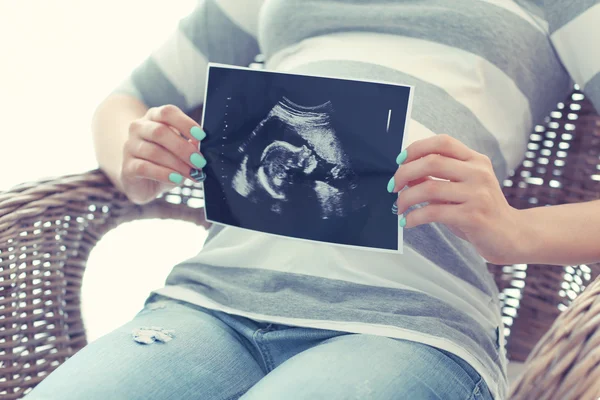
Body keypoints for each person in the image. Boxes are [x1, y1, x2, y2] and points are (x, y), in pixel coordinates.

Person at [26, 1, 600, 399]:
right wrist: (133, 160)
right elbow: (123, 102)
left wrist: (515, 232)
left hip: (406, 324)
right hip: (210, 302)